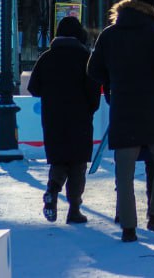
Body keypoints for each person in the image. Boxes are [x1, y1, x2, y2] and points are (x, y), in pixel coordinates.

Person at [87, 0, 154, 243]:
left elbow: (93, 70)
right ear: (151, 10)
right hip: (153, 108)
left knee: (124, 172)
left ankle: (128, 227)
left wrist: (113, 82)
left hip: (123, 108)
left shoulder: (109, 35)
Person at [29, 16, 101, 225]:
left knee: (59, 159)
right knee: (77, 163)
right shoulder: (85, 57)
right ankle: (74, 209)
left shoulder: (47, 57)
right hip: (80, 118)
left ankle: (52, 190)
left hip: (53, 119)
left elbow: (34, 88)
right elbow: (93, 91)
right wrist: (88, 108)